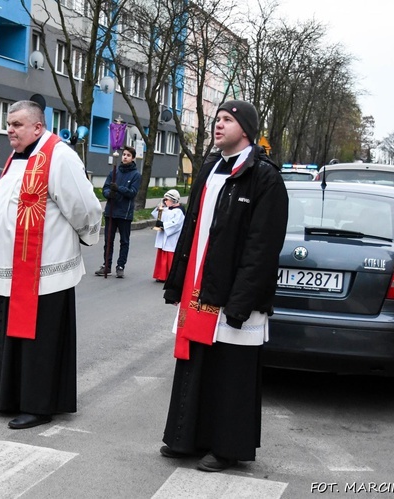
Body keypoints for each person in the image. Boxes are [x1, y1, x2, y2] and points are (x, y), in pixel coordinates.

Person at [159, 100, 288, 472]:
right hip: (200, 288)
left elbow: (262, 248)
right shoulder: (210, 169)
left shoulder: (264, 178)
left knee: (231, 372)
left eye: (227, 120)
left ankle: (227, 447)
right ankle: (187, 438)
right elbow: (191, 231)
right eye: (217, 119)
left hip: (233, 293)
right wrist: (176, 283)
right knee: (196, 362)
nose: (218, 125)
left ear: (245, 129)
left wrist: (240, 301)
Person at [0, 100, 102, 430]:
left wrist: (85, 237)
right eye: (8, 124)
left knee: (40, 340)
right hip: (15, 270)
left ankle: (40, 404)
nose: (10, 129)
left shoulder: (59, 156)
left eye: (17, 124)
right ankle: (10, 397)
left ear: (38, 127)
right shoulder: (17, 157)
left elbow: (85, 206)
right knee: (15, 335)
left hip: (44, 268)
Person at [95, 146, 142, 278]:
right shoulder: (114, 172)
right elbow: (105, 188)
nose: (125, 157)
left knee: (124, 241)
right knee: (108, 241)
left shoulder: (136, 175)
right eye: (124, 155)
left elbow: (132, 193)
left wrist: (119, 189)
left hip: (124, 214)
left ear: (132, 158)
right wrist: (109, 194)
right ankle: (106, 265)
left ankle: (120, 266)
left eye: (128, 155)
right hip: (111, 211)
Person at [151, 189, 185, 283]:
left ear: (173, 200)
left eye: (167, 200)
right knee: (162, 255)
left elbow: (176, 224)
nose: (165, 201)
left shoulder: (179, 211)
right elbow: (158, 215)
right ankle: (160, 275)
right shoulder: (167, 209)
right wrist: (160, 206)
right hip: (164, 236)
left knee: (169, 256)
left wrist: (163, 225)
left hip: (171, 238)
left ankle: (169, 276)